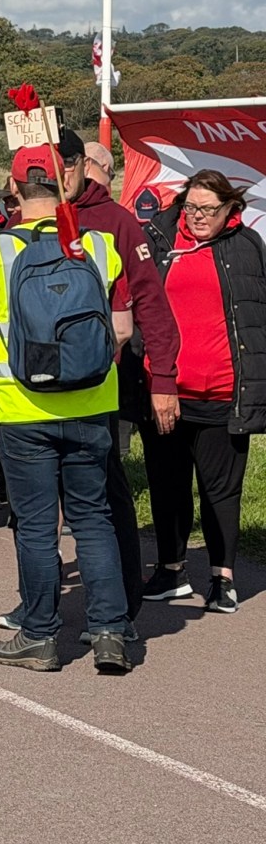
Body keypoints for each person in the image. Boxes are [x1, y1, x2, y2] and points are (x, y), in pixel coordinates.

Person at [0, 143, 134, 673]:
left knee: (35, 524)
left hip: (23, 406)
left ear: (13, 190)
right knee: (93, 518)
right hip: (92, 402)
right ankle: (109, 633)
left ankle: (40, 635)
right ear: (65, 183)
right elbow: (121, 328)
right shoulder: (100, 246)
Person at [64, 132, 178, 625]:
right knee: (40, 505)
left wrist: (164, 378)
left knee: (105, 493)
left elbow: (152, 302)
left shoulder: (117, 222)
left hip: (99, 384)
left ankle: (122, 602)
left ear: (82, 166)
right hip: (32, 388)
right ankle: (39, 605)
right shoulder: (27, 216)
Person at [140, 171, 264, 614]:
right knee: (167, 482)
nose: (197, 217)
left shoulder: (247, 248)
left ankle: (222, 577)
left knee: (221, 489)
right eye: (191, 207)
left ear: (231, 209)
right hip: (165, 390)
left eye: (208, 209)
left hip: (224, 391)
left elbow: (256, 319)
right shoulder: (159, 241)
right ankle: (171, 569)